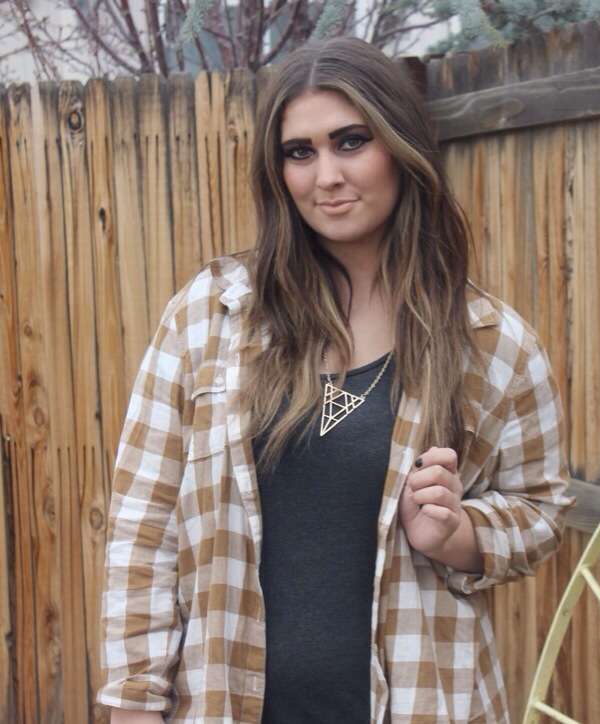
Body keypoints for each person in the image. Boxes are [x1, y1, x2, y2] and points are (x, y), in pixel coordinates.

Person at [98, 36, 573, 724]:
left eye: (351, 142)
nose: (326, 175)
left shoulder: (491, 345)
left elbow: (542, 511)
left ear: (400, 147)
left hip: (417, 703)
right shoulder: (209, 318)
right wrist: (133, 704)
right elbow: (143, 528)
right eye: (300, 151)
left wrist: (459, 533)